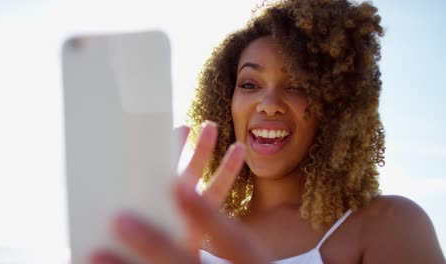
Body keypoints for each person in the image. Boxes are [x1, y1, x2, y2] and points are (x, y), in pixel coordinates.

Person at [91, 0, 445, 263]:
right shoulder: (182, 235)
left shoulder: (389, 224)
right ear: (225, 101)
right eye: (249, 83)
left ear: (338, 107)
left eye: (297, 85)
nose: (268, 103)